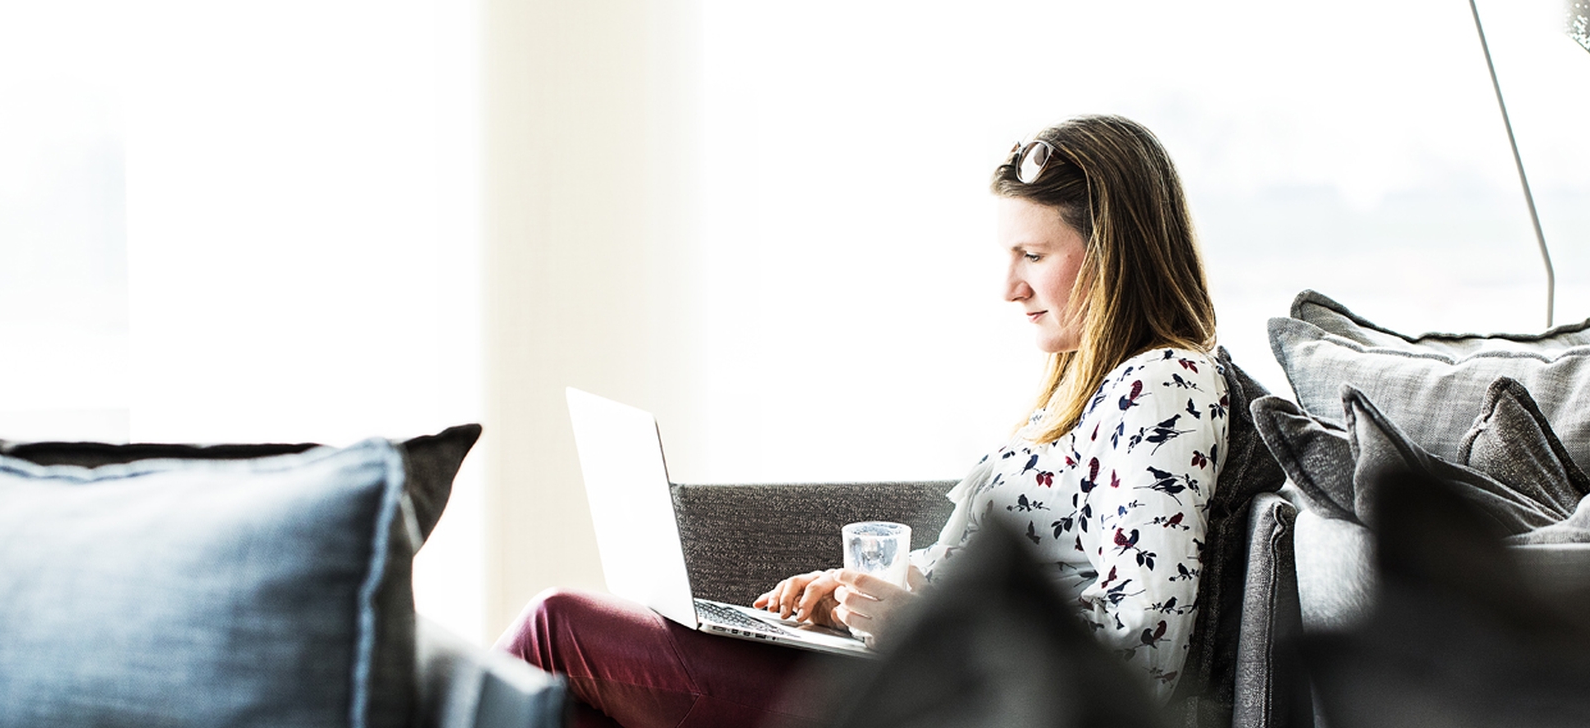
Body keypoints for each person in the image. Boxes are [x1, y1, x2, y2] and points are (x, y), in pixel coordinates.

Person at [497, 114, 1227, 728]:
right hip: (921, 679)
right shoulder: (1081, 385)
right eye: (1008, 255)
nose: (1009, 288)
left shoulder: (1161, 387)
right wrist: (863, 596)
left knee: (557, 628)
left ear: (1118, 252)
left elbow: (1146, 650)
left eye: (1033, 255)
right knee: (564, 696)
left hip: (957, 706)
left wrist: (913, 626)